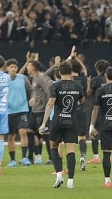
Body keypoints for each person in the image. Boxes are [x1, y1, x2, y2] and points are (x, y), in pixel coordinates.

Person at [41, 60, 84, 189]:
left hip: (58, 121)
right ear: (71, 72)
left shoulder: (55, 86)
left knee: (53, 146)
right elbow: (82, 100)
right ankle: (71, 181)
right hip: (72, 121)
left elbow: (50, 104)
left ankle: (59, 174)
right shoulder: (77, 85)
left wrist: (43, 123)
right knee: (70, 151)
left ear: (59, 72)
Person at [4, 57, 32, 166]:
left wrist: (33, 98)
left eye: (15, 67)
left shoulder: (23, 78)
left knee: (23, 132)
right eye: (11, 67)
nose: (13, 69)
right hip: (9, 111)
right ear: (7, 68)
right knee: (11, 136)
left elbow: (31, 90)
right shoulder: (4, 80)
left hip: (22, 110)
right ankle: (12, 160)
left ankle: (24, 158)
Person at [26, 58, 52, 164]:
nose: (27, 67)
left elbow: (48, 91)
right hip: (34, 110)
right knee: (29, 132)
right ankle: (31, 157)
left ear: (33, 68)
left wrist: (46, 104)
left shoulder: (40, 77)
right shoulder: (34, 78)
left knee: (45, 134)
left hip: (41, 110)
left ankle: (51, 158)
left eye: (28, 65)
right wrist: (33, 98)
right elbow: (35, 92)